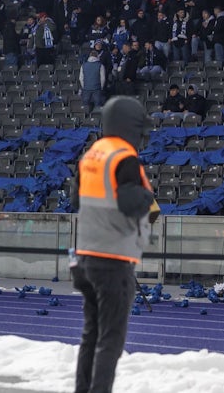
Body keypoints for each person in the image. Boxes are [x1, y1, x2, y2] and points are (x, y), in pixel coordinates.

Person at [70, 97, 159, 393]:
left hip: (85, 257)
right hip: (113, 259)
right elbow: (129, 203)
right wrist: (148, 196)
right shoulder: (124, 157)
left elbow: (75, 199)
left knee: (91, 334)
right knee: (111, 339)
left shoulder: (92, 155)